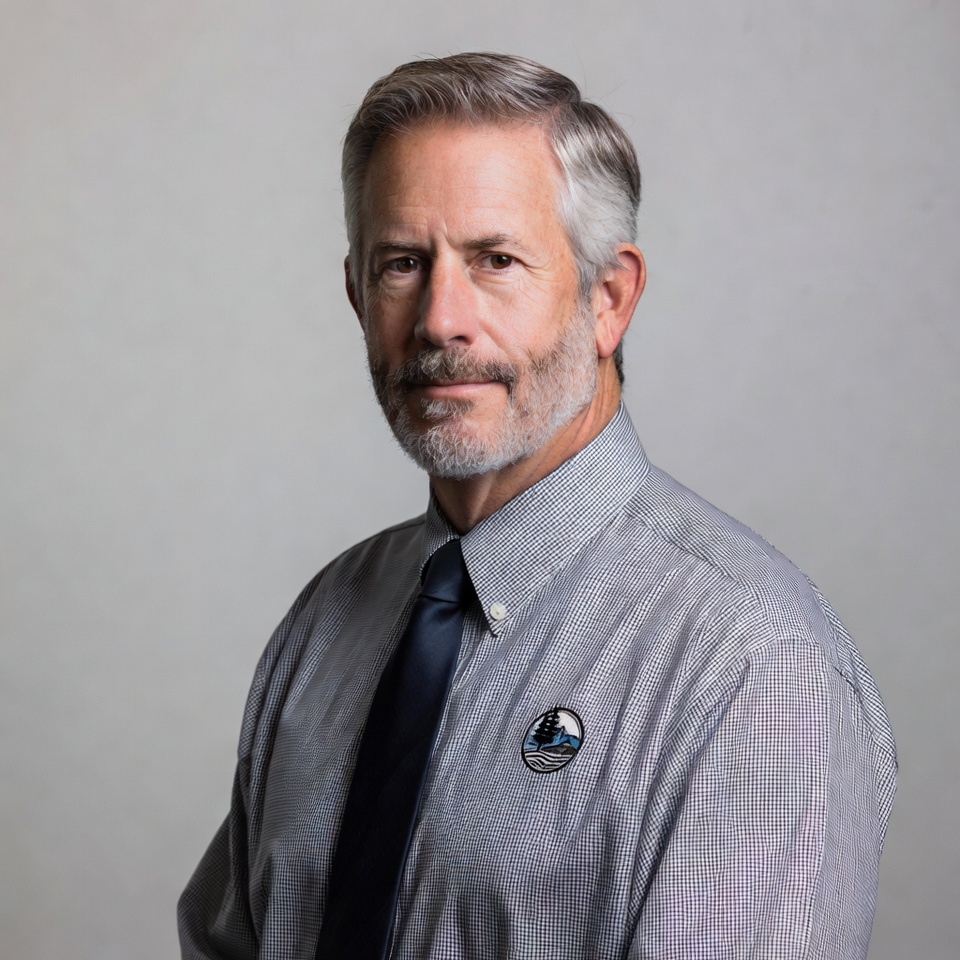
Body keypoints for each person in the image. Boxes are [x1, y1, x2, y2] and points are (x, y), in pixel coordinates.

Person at [178, 53, 896, 960]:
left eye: (496, 260)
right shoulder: (326, 623)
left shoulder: (751, 665)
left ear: (609, 299)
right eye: (404, 263)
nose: (441, 319)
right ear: (358, 295)